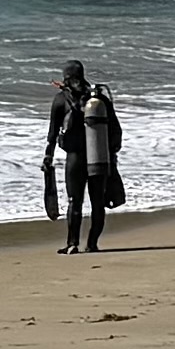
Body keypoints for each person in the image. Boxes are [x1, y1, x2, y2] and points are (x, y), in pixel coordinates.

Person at [45, 62, 122, 254]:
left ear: (66, 78)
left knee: (74, 200)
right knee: (97, 202)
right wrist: (112, 156)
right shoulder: (99, 99)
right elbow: (116, 130)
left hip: (75, 158)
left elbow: (53, 132)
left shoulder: (61, 99)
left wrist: (48, 156)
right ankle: (92, 244)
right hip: (99, 157)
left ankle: (72, 244)